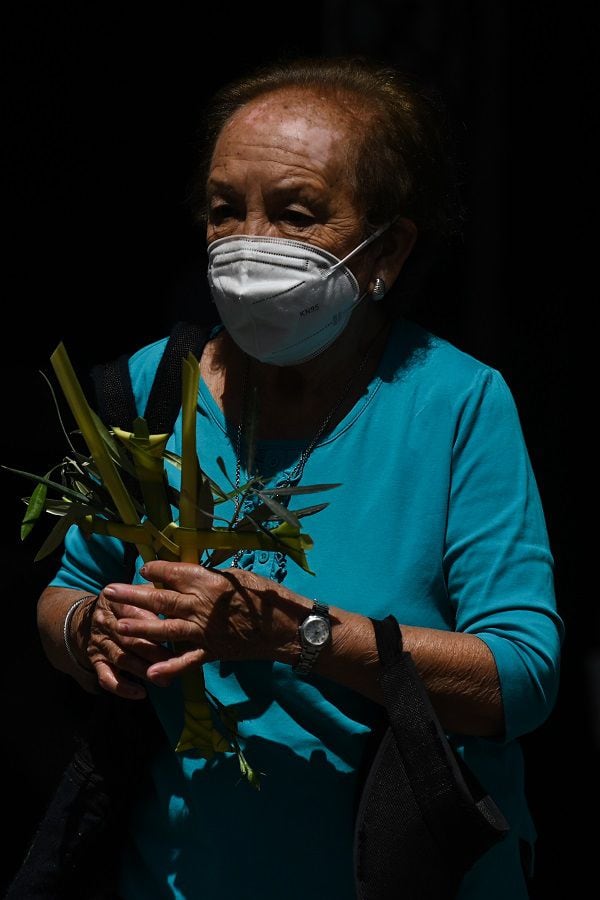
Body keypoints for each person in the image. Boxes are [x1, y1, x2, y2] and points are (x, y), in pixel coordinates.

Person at [37, 57, 563, 899]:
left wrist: (295, 632)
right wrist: (88, 631)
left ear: (386, 248)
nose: (249, 242)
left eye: (295, 214)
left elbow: (522, 677)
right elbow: (65, 591)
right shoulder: (150, 386)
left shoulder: (457, 403)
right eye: (223, 212)